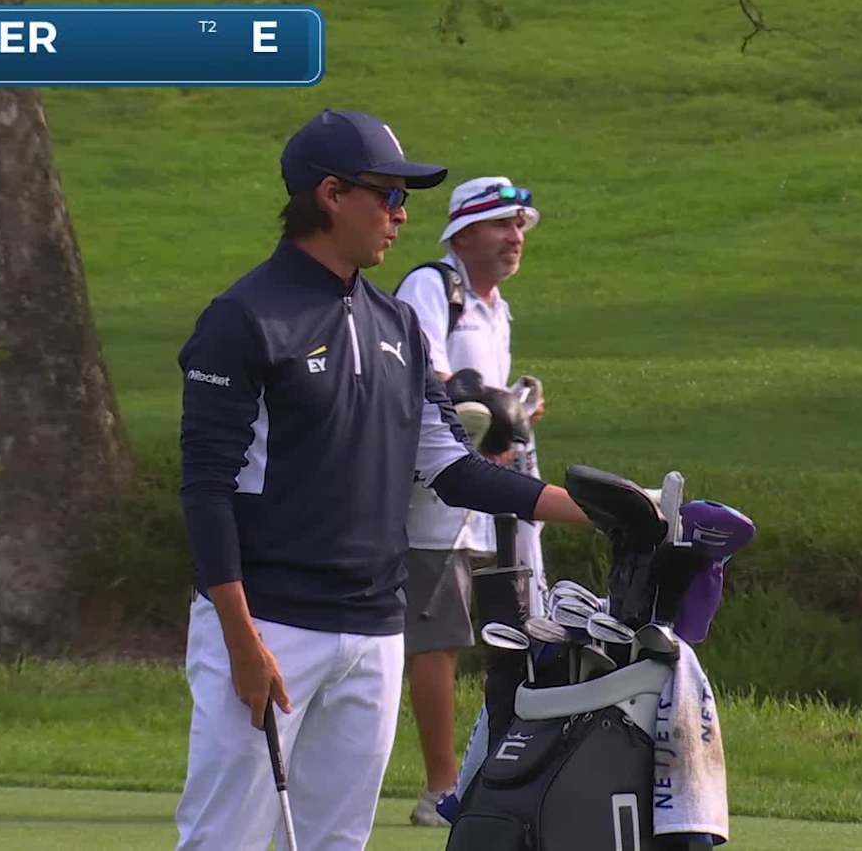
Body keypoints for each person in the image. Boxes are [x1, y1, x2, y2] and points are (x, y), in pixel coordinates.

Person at [174, 109, 590, 851]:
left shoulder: (396, 323)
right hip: (268, 624)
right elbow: (206, 488)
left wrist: (599, 509)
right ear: (332, 195)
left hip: (372, 629)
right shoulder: (243, 319)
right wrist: (239, 638)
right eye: (389, 196)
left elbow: (454, 469)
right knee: (224, 840)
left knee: (339, 843)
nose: (401, 215)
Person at [394, 176, 548, 826]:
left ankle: (481, 777)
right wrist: (485, 410)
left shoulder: (496, 307)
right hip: (430, 495)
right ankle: (438, 789)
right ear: (463, 233)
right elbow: (424, 377)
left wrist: (513, 415)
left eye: (520, 226)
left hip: (477, 495)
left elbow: (481, 399)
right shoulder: (432, 286)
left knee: (489, 630)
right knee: (439, 638)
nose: (515, 237)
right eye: (501, 225)